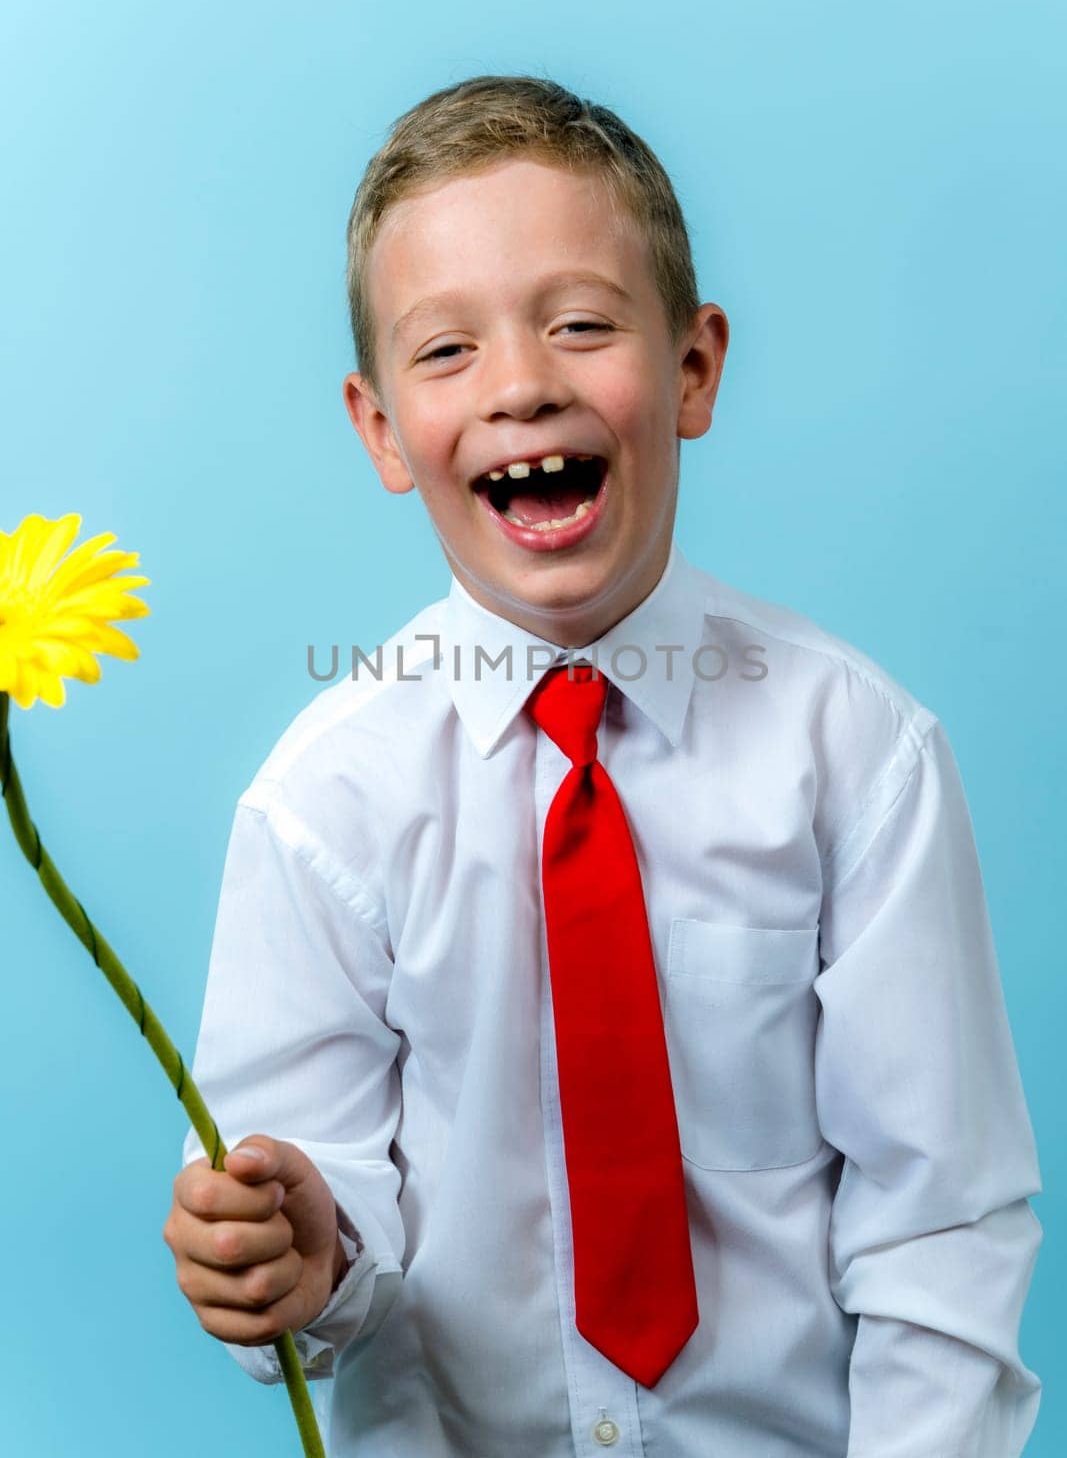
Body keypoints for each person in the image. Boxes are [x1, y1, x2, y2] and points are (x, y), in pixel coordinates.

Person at [163, 74, 1044, 1457]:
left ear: (692, 371)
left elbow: (939, 1227)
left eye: (580, 324)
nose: (521, 384)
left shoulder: (860, 757)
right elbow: (320, 1212)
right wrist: (299, 1246)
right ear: (383, 428)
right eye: (445, 351)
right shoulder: (321, 804)